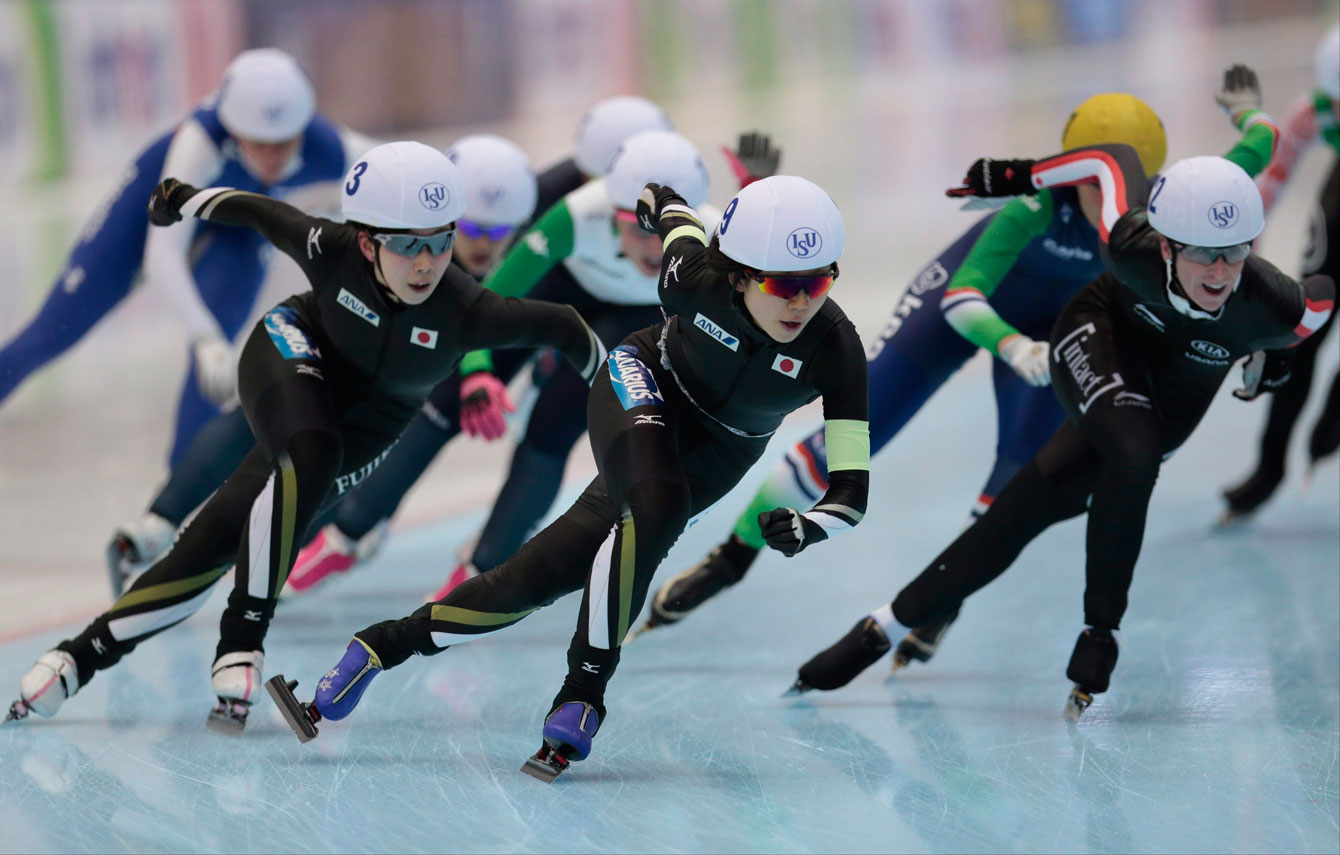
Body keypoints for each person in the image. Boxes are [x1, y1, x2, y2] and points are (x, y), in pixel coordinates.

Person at [636, 65, 1278, 639]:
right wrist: (1010, 345)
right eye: (1089, 192)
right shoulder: (1031, 208)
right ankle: (731, 561)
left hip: (1054, 325)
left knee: (1019, 470)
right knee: (850, 439)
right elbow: (964, 298)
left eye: (1126, 198)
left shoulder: (1168, 219)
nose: (1106, 212)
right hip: (969, 305)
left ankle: (947, 599)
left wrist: (1249, 111)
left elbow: (1255, 153)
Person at [266, 174, 870, 782]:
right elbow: (681, 227)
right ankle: (584, 693)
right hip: (644, 380)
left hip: (721, 452)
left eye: (819, 282)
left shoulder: (837, 349)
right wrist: (662, 201)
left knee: (532, 581)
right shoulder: (693, 281)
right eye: (785, 284)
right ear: (737, 274)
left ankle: (378, 648)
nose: (802, 302)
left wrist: (809, 526)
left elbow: (850, 496)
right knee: (657, 505)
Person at [5, 141, 605, 733]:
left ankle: (73, 660)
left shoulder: (469, 310)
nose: (427, 263)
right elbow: (261, 211)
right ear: (368, 242)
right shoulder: (333, 248)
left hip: (372, 421)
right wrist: (183, 199)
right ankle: (241, 639)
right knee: (311, 454)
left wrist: (617, 404)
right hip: (294, 346)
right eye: (407, 246)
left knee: (216, 541)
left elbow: (566, 328)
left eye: (440, 242)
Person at [788, 145, 1334, 720]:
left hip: (1177, 388)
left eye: (1235, 253)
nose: (1221, 272)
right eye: (1204, 255)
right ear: (1167, 244)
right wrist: (1018, 175)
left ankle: (884, 626)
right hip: (1101, 331)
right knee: (1135, 449)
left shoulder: (1274, 307)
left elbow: (1321, 295)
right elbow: (1111, 158)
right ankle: (1102, 631)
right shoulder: (1128, 245)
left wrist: (1279, 354)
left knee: (1034, 501)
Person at [101, 96, 681, 595]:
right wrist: (480, 370)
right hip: (476, 308)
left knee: (552, 422)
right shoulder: (544, 203)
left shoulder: (638, 221)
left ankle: (471, 562)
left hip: (557, 316)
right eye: (618, 207)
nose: (634, 229)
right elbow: (484, 289)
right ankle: (325, 530)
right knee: (396, 401)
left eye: (644, 214)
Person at [287, 129, 778, 600]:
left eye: (663, 233)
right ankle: (347, 535)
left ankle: (483, 566)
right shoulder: (575, 214)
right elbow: (492, 297)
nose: (652, 248)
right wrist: (478, 371)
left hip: (631, 321)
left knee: (554, 426)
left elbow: (771, 279)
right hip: (566, 295)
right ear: (609, 213)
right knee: (448, 394)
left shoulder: (714, 238)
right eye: (636, 228)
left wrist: (758, 196)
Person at [0, 48, 375, 465]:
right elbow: (162, 253)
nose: (272, 157)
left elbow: (398, 172)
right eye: (259, 144)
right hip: (153, 209)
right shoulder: (200, 143)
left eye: (284, 144)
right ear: (234, 132)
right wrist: (202, 335)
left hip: (236, 224)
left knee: (216, 364)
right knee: (50, 334)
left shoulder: (328, 144)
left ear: (302, 128)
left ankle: (174, 505)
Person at [1222, 25, 1340, 522]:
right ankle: (1269, 468)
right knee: (1302, 331)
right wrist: (1243, 263)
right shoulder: (1316, 109)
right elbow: (1266, 186)